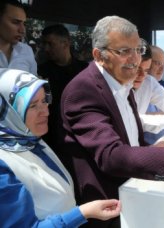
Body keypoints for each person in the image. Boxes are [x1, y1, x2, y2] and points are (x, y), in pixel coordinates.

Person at [60, 16, 164, 227]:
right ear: (99, 55)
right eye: (124, 51)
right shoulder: (83, 90)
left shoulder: (121, 81)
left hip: (132, 190)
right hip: (106, 206)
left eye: (137, 49)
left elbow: (133, 139)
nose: (135, 59)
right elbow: (112, 155)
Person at [0, 68, 120, 227]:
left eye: (44, 101)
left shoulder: (30, 141)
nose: (45, 112)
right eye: (33, 105)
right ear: (8, 112)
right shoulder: (3, 164)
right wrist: (83, 213)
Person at [38, 24, 89, 151]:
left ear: (65, 43)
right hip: (52, 135)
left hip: (80, 133)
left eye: (50, 44)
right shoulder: (42, 72)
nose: (46, 48)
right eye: (44, 44)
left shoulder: (85, 70)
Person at [0, 0, 37, 75]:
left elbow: (33, 84)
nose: (22, 30)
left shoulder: (26, 51)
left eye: (24, 24)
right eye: (16, 22)